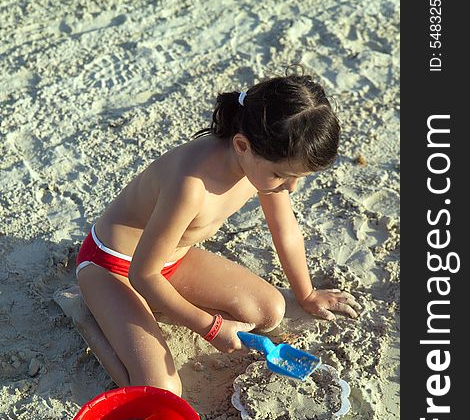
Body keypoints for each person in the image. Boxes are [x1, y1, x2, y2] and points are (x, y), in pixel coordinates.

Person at [75, 69, 360, 396]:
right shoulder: (191, 186)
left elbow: (286, 230)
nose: (292, 187)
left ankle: (146, 309)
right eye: (283, 175)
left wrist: (307, 295)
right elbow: (143, 274)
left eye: (300, 177)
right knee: (163, 390)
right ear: (242, 145)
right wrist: (210, 327)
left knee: (270, 311)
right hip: (113, 268)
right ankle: (86, 314)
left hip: (169, 263)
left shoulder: (262, 167)